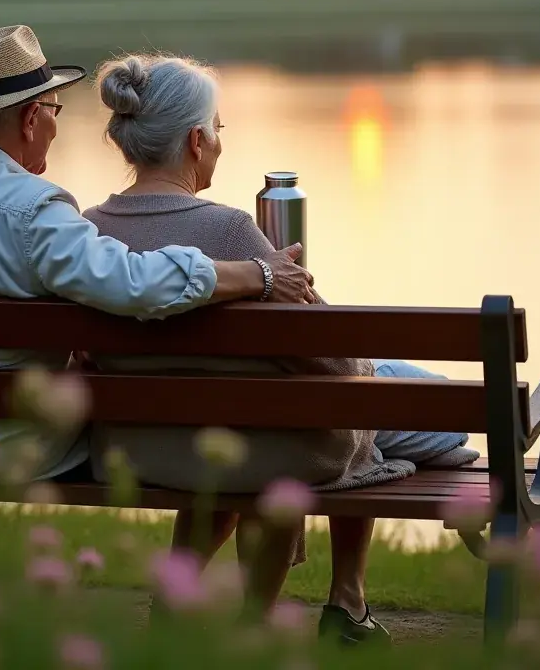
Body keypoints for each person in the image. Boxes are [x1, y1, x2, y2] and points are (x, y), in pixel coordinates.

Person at [81, 54, 480, 643]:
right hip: (261, 448)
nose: (220, 143)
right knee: (434, 419)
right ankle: (345, 604)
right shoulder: (233, 232)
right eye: (218, 129)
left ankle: (188, 609)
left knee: (314, 404)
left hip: (145, 447)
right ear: (195, 141)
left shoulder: (91, 230)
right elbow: (335, 364)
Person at [0, 26, 315, 484]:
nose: (55, 126)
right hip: (21, 448)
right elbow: (135, 283)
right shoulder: (33, 209)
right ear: (32, 118)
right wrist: (261, 275)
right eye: (54, 111)